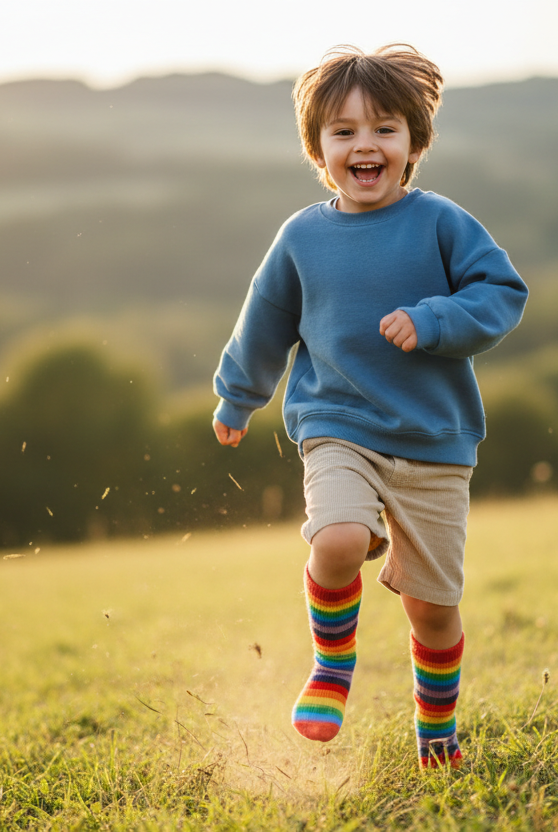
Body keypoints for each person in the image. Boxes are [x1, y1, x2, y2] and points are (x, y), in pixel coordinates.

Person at [211, 44, 527, 769]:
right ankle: (331, 666)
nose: (365, 144)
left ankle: (437, 729)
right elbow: (263, 320)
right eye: (344, 131)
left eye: (385, 128)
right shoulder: (301, 238)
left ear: (415, 142)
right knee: (338, 540)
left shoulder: (442, 222)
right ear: (317, 149)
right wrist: (238, 395)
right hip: (337, 426)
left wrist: (436, 321)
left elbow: (502, 294)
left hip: (433, 440)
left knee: (434, 611)